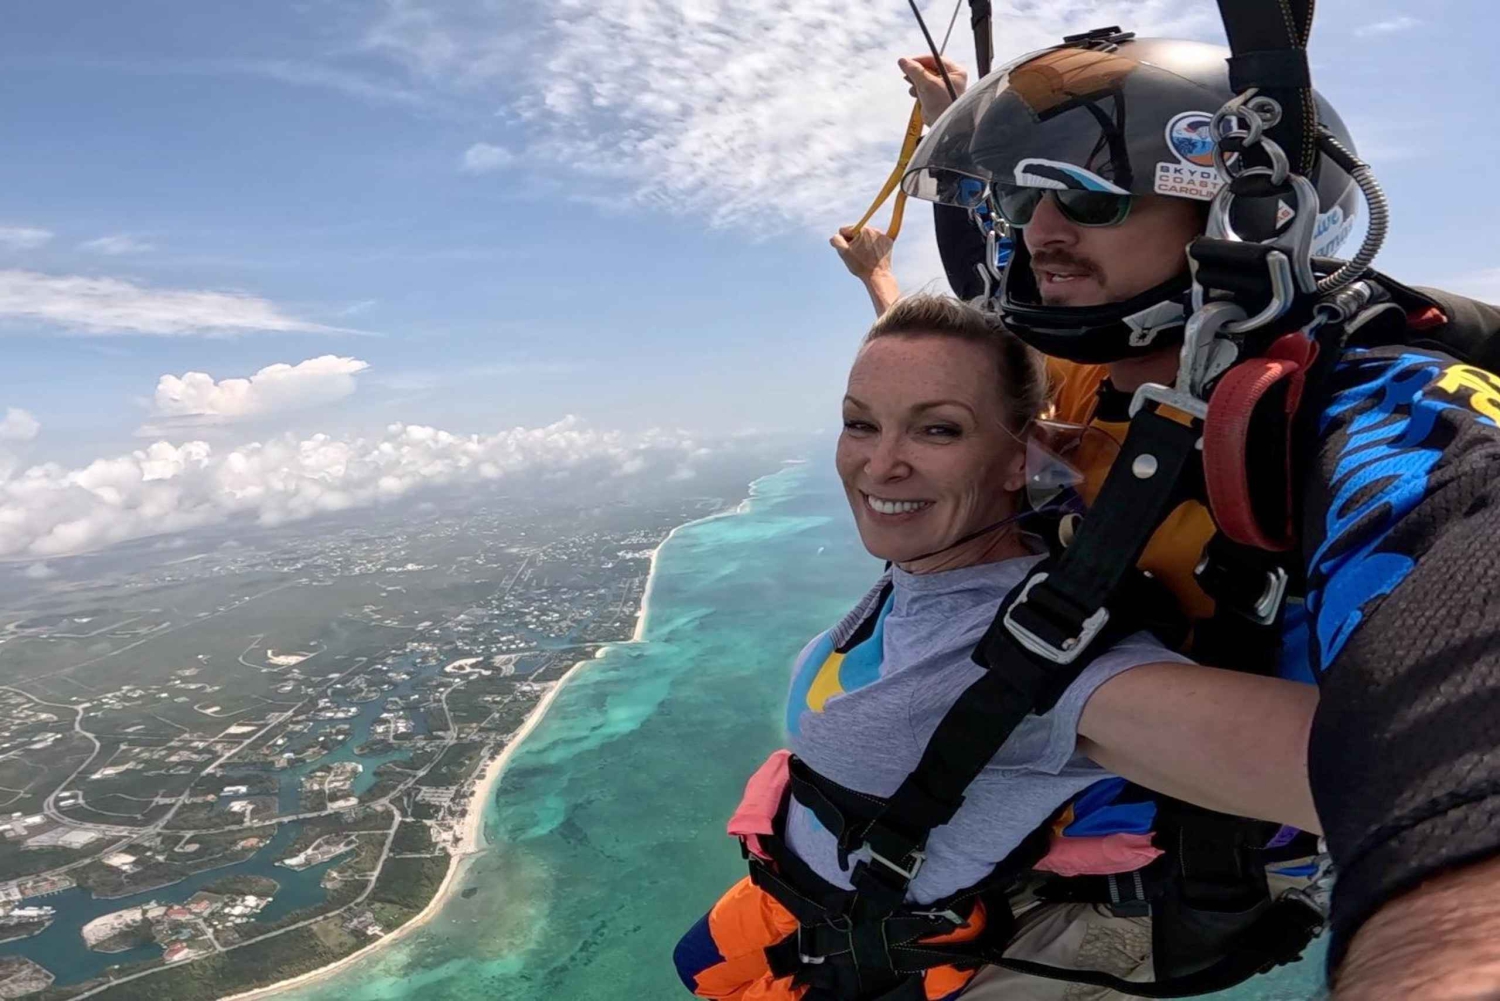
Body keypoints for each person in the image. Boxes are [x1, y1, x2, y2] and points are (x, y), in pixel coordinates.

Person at [883, 32, 1500, 1001]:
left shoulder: (1358, 406)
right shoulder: (1108, 367)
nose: (1040, 231)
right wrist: (964, 130)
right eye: (1022, 199)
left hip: (1138, 903)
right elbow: (988, 291)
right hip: (1015, 850)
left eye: (1091, 195)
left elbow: (1465, 582)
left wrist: (1449, 916)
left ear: (1240, 218)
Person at [674, 295, 1323, 1001]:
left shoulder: (1053, 669)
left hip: (868, 959)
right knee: (690, 967)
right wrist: (880, 281)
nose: (880, 463)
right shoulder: (931, 558)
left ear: (1019, 459)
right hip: (784, 894)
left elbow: (1363, 771)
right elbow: (955, 389)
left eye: (938, 431)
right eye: (860, 422)